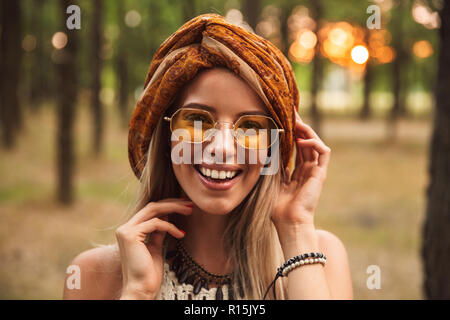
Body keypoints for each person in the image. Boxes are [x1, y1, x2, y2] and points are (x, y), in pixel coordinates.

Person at [63, 13, 353, 300]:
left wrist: (296, 227)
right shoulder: (93, 275)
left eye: (251, 126)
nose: (222, 148)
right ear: (166, 136)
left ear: (272, 148)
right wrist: (137, 293)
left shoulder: (318, 259)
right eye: (198, 120)